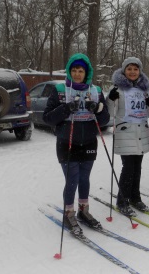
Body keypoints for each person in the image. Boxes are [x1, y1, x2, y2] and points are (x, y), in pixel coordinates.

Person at [43, 53, 110, 234]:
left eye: (81, 70)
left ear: (86, 72)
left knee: (84, 178)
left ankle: (83, 210)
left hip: (88, 141)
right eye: (74, 70)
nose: (77, 73)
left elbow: (105, 119)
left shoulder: (95, 91)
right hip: (67, 141)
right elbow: (47, 118)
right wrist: (65, 108)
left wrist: (97, 108)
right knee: (72, 178)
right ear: (69, 71)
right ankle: (68, 212)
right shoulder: (60, 90)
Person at [106, 57, 149, 217]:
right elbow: (110, 112)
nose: (133, 72)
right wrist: (110, 98)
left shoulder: (144, 89)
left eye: (135, 69)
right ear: (124, 71)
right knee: (128, 168)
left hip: (141, 132)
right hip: (125, 133)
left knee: (137, 168)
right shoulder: (118, 89)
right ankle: (122, 201)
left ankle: (135, 197)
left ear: (139, 71)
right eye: (129, 69)